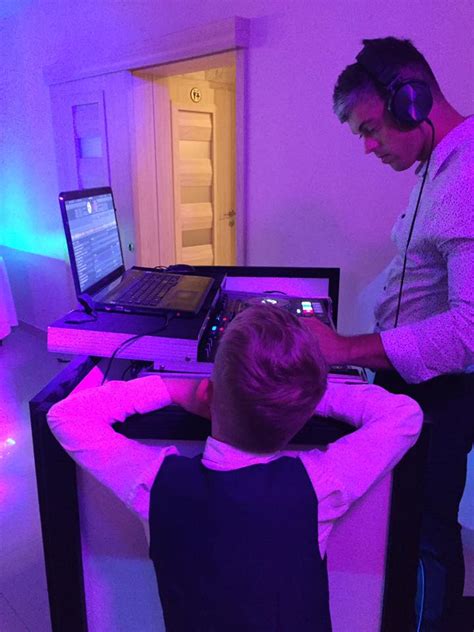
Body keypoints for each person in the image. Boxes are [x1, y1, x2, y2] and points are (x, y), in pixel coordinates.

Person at [47, 304, 422, 631]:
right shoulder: (319, 486)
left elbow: (66, 416)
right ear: (304, 411)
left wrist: (173, 388)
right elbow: (404, 415)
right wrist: (305, 396)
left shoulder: (155, 485)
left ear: (208, 394)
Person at [305, 37, 474, 631]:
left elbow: (469, 331)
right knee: (414, 523)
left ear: (411, 100)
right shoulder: (439, 169)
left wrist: (347, 349)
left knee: (424, 532)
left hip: (443, 393)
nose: (369, 146)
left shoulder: (466, 180)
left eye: (371, 129)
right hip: (413, 381)